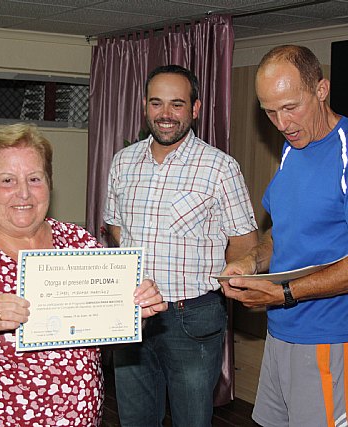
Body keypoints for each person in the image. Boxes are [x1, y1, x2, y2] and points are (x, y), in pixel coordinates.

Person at [0, 123, 167, 426]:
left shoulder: (79, 243)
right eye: (7, 180)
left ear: (49, 183)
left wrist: (136, 313)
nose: (24, 192)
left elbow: (107, 335)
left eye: (35, 179)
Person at [219, 45, 348, 427]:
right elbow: (280, 231)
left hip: (331, 337)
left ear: (321, 90)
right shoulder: (292, 149)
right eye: (270, 111)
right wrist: (250, 261)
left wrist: (284, 293)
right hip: (283, 331)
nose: (282, 123)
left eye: (290, 107)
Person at [103, 64, 259, 426]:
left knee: (192, 419)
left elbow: (244, 242)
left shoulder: (220, 167)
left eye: (177, 104)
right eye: (157, 103)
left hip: (193, 317)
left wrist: (226, 286)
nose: (166, 115)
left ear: (196, 108)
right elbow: (114, 227)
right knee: (135, 418)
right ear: (145, 106)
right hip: (134, 314)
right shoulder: (123, 162)